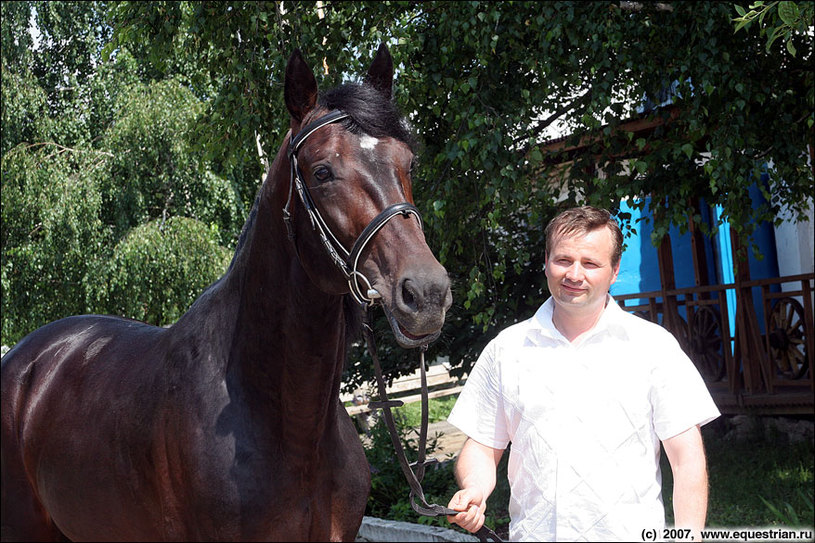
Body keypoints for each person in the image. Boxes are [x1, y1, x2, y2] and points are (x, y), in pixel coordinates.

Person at [446, 205, 720, 542]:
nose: (575, 275)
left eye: (590, 263)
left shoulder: (653, 347)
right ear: (545, 261)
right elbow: (483, 445)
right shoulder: (507, 350)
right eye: (563, 260)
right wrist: (474, 488)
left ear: (614, 270)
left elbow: (686, 458)